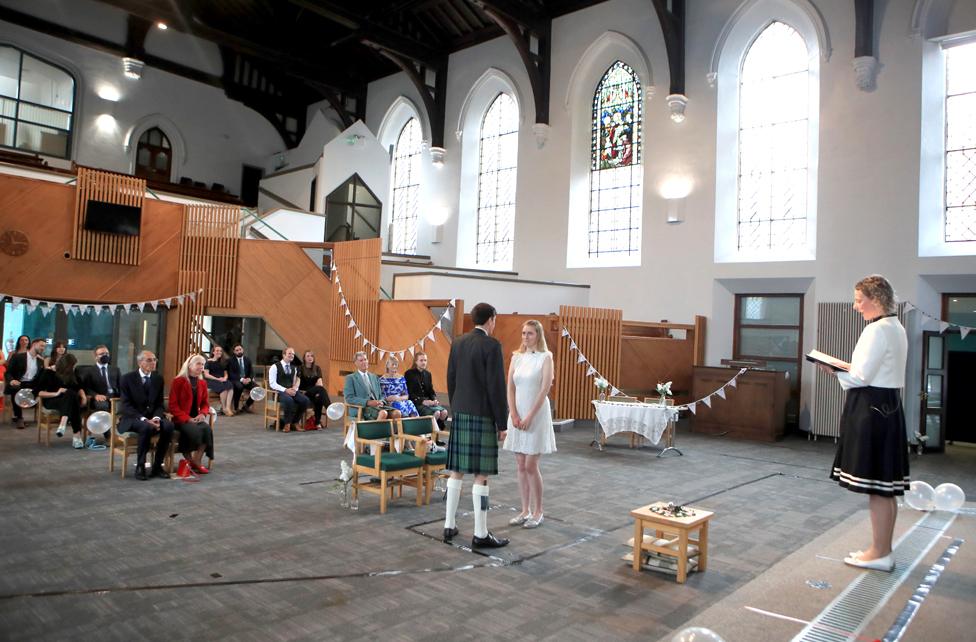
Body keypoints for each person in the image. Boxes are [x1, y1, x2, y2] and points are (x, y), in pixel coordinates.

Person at [819, 275, 909, 573]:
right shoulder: (896, 327)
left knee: (878, 487)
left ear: (875, 298)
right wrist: (847, 369)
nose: (856, 306)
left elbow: (860, 377)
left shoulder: (876, 330)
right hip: (889, 406)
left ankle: (879, 552)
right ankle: (882, 548)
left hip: (871, 408)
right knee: (885, 486)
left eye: (859, 300)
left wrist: (833, 370)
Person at [443, 302, 509, 548]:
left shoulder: (458, 342)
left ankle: (449, 525)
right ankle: (480, 534)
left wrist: (456, 407)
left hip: (461, 412)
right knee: (481, 475)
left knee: (456, 471)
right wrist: (502, 422)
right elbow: (496, 387)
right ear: (491, 319)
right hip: (482, 415)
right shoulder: (492, 345)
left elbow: (450, 378)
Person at [503, 320, 556, 529]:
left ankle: (538, 510)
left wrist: (529, 417)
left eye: (530, 334)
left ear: (538, 335)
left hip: (536, 414)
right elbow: (510, 388)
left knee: (530, 465)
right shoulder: (517, 357)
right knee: (520, 464)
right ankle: (524, 510)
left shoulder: (546, 357)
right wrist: (514, 414)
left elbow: (544, 389)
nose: (526, 337)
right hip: (517, 414)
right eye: (524, 333)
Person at [119, 351, 174, 480]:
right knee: (146, 427)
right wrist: (144, 419)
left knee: (169, 426)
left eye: (154, 359)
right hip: (133, 417)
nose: (153, 362)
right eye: (149, 360)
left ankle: (157, 466)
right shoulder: (127, 378)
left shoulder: (158, 378)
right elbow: (125, 406)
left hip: (152, 417)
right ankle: (141, 465)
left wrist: (156, 418)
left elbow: (159, 404)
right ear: (140, 362)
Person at [169, 354, 214, 477]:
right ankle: (189, 459)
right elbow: (173, 406)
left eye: (203, 364)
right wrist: (187, 419)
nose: (201, 366)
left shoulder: (202, 383)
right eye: (198, 363)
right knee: (193, 430)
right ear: (189, 365)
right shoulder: (178, 381)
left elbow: (205, 403)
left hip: (196, 417)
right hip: (181, 418)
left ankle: (196, 460)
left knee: (206, 429)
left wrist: (202, 414)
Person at [36, 353, 87, 448]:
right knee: (72, 400)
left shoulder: (72, 374)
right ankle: (76, 436)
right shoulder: (48, 373)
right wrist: (56, 393)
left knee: (71, 394)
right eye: (71, 366)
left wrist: (83, 396)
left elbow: (79, 387)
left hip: (70, 399)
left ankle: (63, 424)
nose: (72, 368)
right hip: (52, 399)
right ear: (64, 365)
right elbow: (39, 392)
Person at [4, 337, 46, 429]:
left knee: (44, 389)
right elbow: (8, 372)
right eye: (41, 346)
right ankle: (19, 417)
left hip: (33, 384)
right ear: (34, 344)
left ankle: (46, 416)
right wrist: (11, 380)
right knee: (15, 389)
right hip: (19, 382)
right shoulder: (18, 357)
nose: (43, 348)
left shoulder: (40, 361)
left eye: (44, 347)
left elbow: (41, 376)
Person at [268, 347, 310, 432]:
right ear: (284, 355)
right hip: (279, 392)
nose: (292, 355)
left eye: (293, 354)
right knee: (289, 400)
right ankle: (287, 424)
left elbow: (295, 381)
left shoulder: (294, 368)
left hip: (291, 390)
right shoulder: (275, 367)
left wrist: (295, 389)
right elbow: (272, 384)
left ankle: (295, 422)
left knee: (305, 400)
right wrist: (285, 390)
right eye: (289, 353)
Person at [343, 351, 391, 421]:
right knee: (383, 413)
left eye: (365, 359)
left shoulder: (374, 377)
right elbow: (349, 398)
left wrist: (381, 401)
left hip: (378, 406)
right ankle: (374, 432)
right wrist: (368, 402)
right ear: (356, 363)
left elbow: (382, 394)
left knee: (397, 413)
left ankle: (389, 432)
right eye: (361, 360)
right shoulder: (350, 378)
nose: (364, 362)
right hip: (363, 408)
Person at [405, 351, 449, 428]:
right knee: (437, 413)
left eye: (425, 360)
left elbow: (431, 391)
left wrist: (434, 400)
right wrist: (422, 401)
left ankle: (435, 436)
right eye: (421, 360)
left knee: (444, 412)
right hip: (416, 403)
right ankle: (428, 436)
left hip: (429, 402)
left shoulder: (428, 374)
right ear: (416, 361)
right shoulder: (409, 374)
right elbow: (409, 393)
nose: (423, 362)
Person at [81, 345, 120, 412]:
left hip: (114, 396)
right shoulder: (89, 371)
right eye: (102, 354)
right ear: (95, 357)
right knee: (102, 406)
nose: (105, 355)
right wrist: (95, 395)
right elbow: (87, 388)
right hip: (100, 398)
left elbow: (121, 385)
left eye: (107, 354)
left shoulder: (115, 369)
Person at [298, 350, 330, 430]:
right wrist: (318, 390)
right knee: (320, 390)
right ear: (304, 358)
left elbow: (320, 383)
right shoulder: (300, 368)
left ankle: (317, 422)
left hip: (314, 391)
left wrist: (318, 393)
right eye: (308, 356)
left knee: (319, 398)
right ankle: (329, 408)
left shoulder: (317, 368)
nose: (310, 358)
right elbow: (297, 382)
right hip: (304, 392)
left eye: (312, 356)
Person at [204, 345, 234, 416]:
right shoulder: (208, 362)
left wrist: (225, 378)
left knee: (230, 385)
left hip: (221, 379)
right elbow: (206, 375)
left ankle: (228, 408)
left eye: (220, 351)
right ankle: (224, 408)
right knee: (224, 389)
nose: (219, 352)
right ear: (213, 352)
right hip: (212, 380)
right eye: (217, 350)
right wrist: (217, 379)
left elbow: (226, 373)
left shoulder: (223, 362)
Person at [228, 344, 256, 413]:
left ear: (242, 350)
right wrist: (242, 379)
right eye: (237, 350)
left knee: (257, 389)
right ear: (234, 352)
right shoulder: (231, 360)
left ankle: (246, 405)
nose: (239, 351)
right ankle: (236, 407)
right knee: (239, 387)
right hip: (236, 380)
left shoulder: (247, 359)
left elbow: (251, 372)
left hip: (247, 380)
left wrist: (249, 378)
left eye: (240, 349)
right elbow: (231, 374)